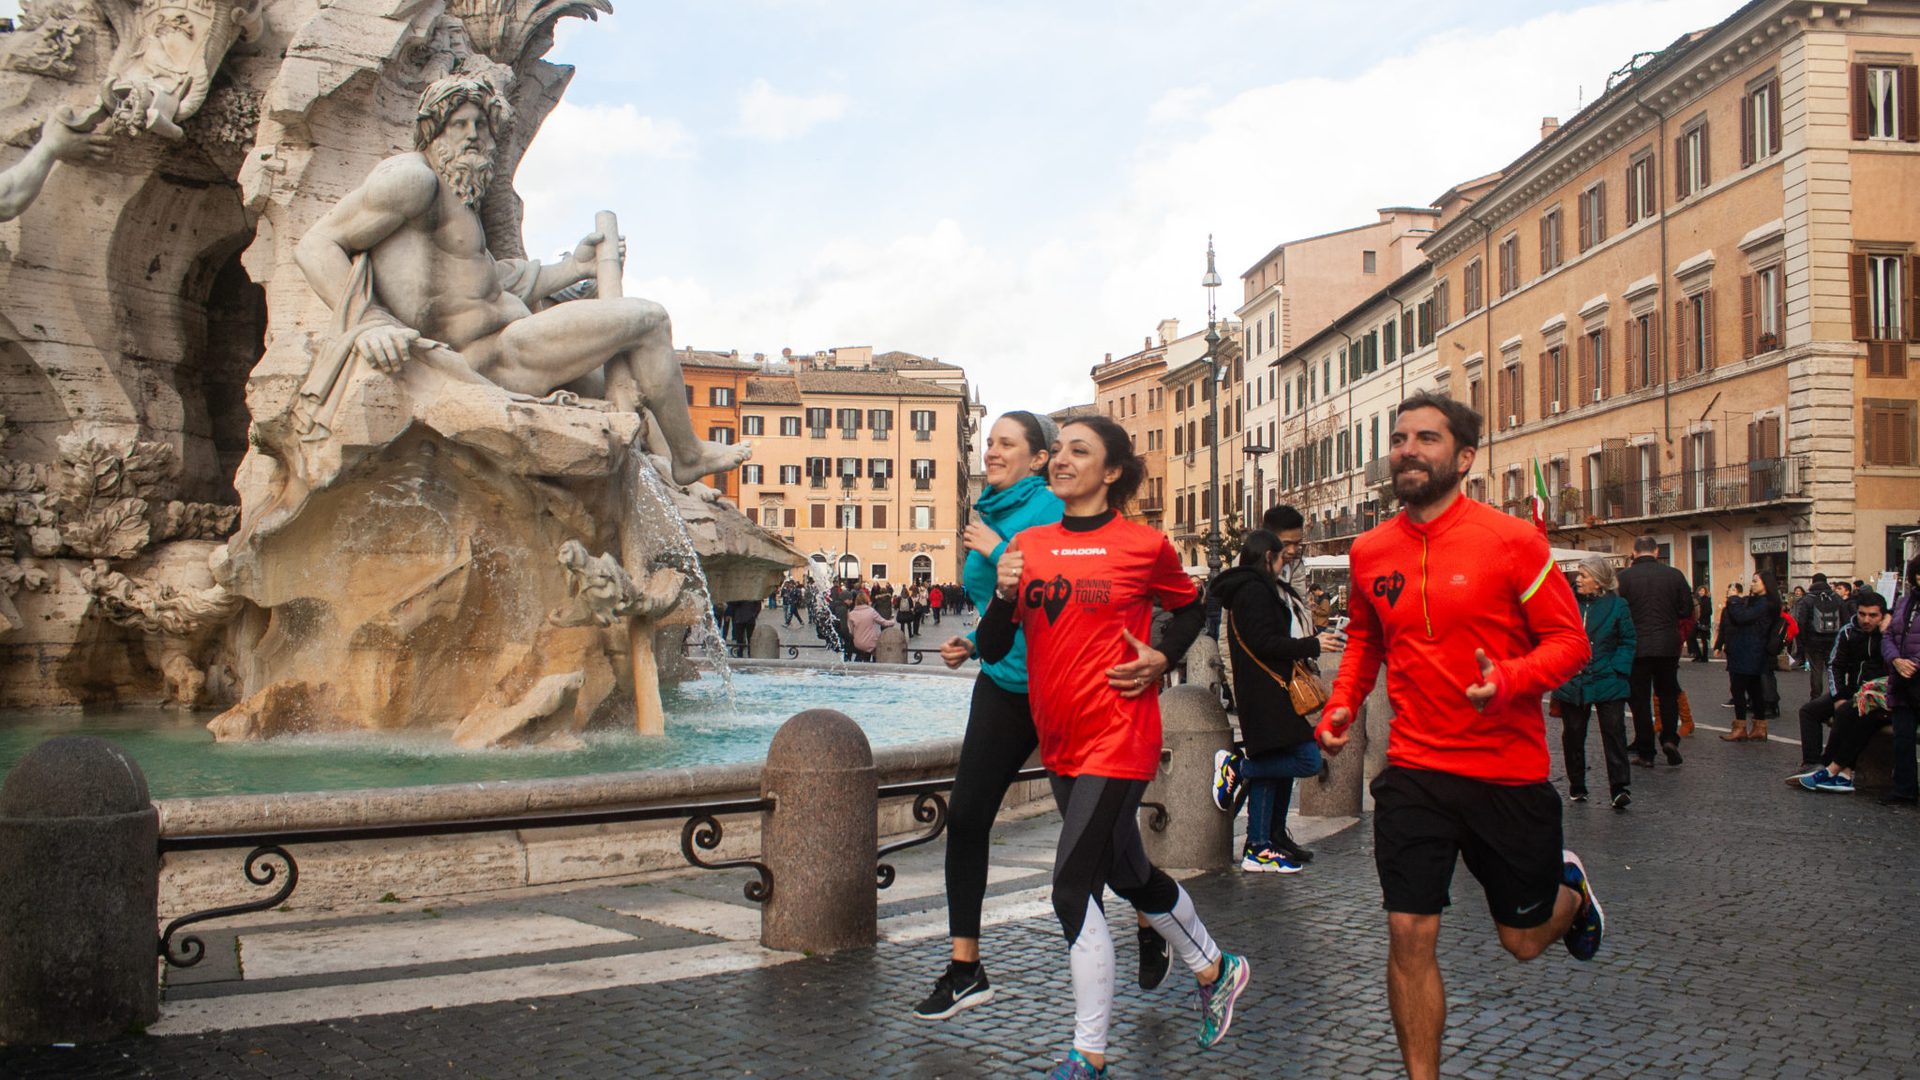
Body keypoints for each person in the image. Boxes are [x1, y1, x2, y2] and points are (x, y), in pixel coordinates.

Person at [1314, 391, 1602, 1080]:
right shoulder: (1369, 550)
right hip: (1414, 769)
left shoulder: (1513, 541)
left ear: (1464, 457)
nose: (1408, 448)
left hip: (1507, 770)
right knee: (1409, 930)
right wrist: (1344, 702)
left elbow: (1570, 644)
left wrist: (1506, 681)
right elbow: (1364, 641)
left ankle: (1574, 894)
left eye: (1427, 438)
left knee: (1524, 940)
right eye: (1400, 437)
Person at [294, 76, 749, 486]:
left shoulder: (457, 200)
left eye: (481, 127)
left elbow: (494, 282)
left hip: (510, 341)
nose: (474, 135)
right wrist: (370, 323)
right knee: (649, 320)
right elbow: (315, 245)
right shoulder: (411, 180)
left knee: (632, 395)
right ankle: (689, 455)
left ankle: (667, 473)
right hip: (491, 357)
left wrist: (574, 267)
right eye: (460, 124)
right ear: (433, 130)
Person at [977, 415, 1247, 1078]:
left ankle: (1087, 1055)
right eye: (1059, 451)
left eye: (1080, 451)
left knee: (1072, 889)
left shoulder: (1143, 545)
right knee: (1129, 874)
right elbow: (990, 648)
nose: (1062, 461)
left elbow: (1189, 608)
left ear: (1113, 471)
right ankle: (1216, 966)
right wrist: (1005, 593)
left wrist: (1162, 657)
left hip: (1119, 736)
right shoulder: (1030, 545)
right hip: (1060, 739)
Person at [917, 411, 1173, 1020]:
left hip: (1072, 691)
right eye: (989, 442)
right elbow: (1011, 603)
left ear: (1038, 459)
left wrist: (1001, 550)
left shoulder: (1049, 509)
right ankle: (965, 966)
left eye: (1007, 443)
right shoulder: (997, 508)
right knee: (970, 814)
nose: (991, 451)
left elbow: (1067, 571)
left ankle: (1150, 917)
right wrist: (977, 643)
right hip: (1007, 685)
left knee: (1107, 843)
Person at [1209, 514, 1344, 872]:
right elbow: (1265, 641)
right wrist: (1311, 645)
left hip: (1270, 689)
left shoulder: (1253, 588)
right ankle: (1239, 767)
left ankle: (1260, 845)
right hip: (1266, 692)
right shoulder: (1253, 591)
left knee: (1275, 768)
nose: (1289, 557)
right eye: (1283, 554)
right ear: (1267, 555)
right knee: (1306, 759)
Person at [1552, 557, 1637, 810]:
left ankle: (1619, 787)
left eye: (1584, 575)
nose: (1578, 579)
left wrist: (1617, 668)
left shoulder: (1618, 605)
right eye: (1578, 574)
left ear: (1599, 581)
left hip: (1608, 678)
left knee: (1614, 733)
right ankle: (1577, 784)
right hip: (1573, 679)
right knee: (1573, 735)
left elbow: (1627, 640)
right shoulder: (1566, 604)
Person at [1789, 590, 1889, 791]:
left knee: (1849, 713)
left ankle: (1830, 767)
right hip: (1852, 690)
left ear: (1883, 616)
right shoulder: (1848, 632)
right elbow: (1835, 666)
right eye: (1862, 614)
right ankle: (1812, 763)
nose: (1866, 620)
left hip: (1878, 696)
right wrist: (1838, 696)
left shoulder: (1889, 634)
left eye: (1873, 615)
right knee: (1809, 711)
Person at [1617, 535, 1691, 767]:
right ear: (1657, 551)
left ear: (1634, 552)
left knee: (1639, 700)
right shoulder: (1674, 575)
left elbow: (1617, 612)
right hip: (1667, 645)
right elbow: (1686, 609)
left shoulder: (1623, 578)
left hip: (1637, 646)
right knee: (1667, 695)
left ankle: (1646, 751)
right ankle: (1669, 738)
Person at [1718, 571, 1781, 741]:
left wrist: (1734, 599)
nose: (1751, 584)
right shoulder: (1760, 602)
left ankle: (1740, 727)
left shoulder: (1764, 604)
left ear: (1765, 584)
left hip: (1749, 649)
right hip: (1752, 649)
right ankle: (1759, 726)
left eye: (1755, 581)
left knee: (1738, 688)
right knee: (1754, 689)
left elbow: (1742, 617)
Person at [1880, 557, 1920, 807]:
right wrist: (1896, 660)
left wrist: (1912, 663)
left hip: (1914, 673)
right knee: (1902, 739)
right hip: (1903, 682)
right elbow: (1890, 635)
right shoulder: (1906, 602)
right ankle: (1904, 789)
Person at [1795, 574, 1846, 697]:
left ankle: (1816, 698)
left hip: (1814, 641)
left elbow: (1801, 622)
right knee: (1834, 670)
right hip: (1833, 640)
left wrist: (1803, 641)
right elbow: (1845, 619)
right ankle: (1836, 696)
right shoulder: (1836, 598)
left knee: (1816, 671)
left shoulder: (1808, 599)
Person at [846, 591, 895, 662]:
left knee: (862, 654)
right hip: (871, 643)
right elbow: (883, 622)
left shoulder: (851, 614)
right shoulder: (871, 611)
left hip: (858, 643)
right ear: (866, 600)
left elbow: (851, 631)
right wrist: (892, 621)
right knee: (876, 651)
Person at [1690, 585, 1715, 662]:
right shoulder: (1696, 600)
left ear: (1705, 592)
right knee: (1692, 637)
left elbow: (1709, 612)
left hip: (1704, 622)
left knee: (1704, 640)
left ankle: (1704, 657)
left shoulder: (1707, 600)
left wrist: (1701, 619)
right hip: (1697, 622)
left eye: (1703, 591)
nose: (1701, 592)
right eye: (1700, 591)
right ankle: (1698, 655)